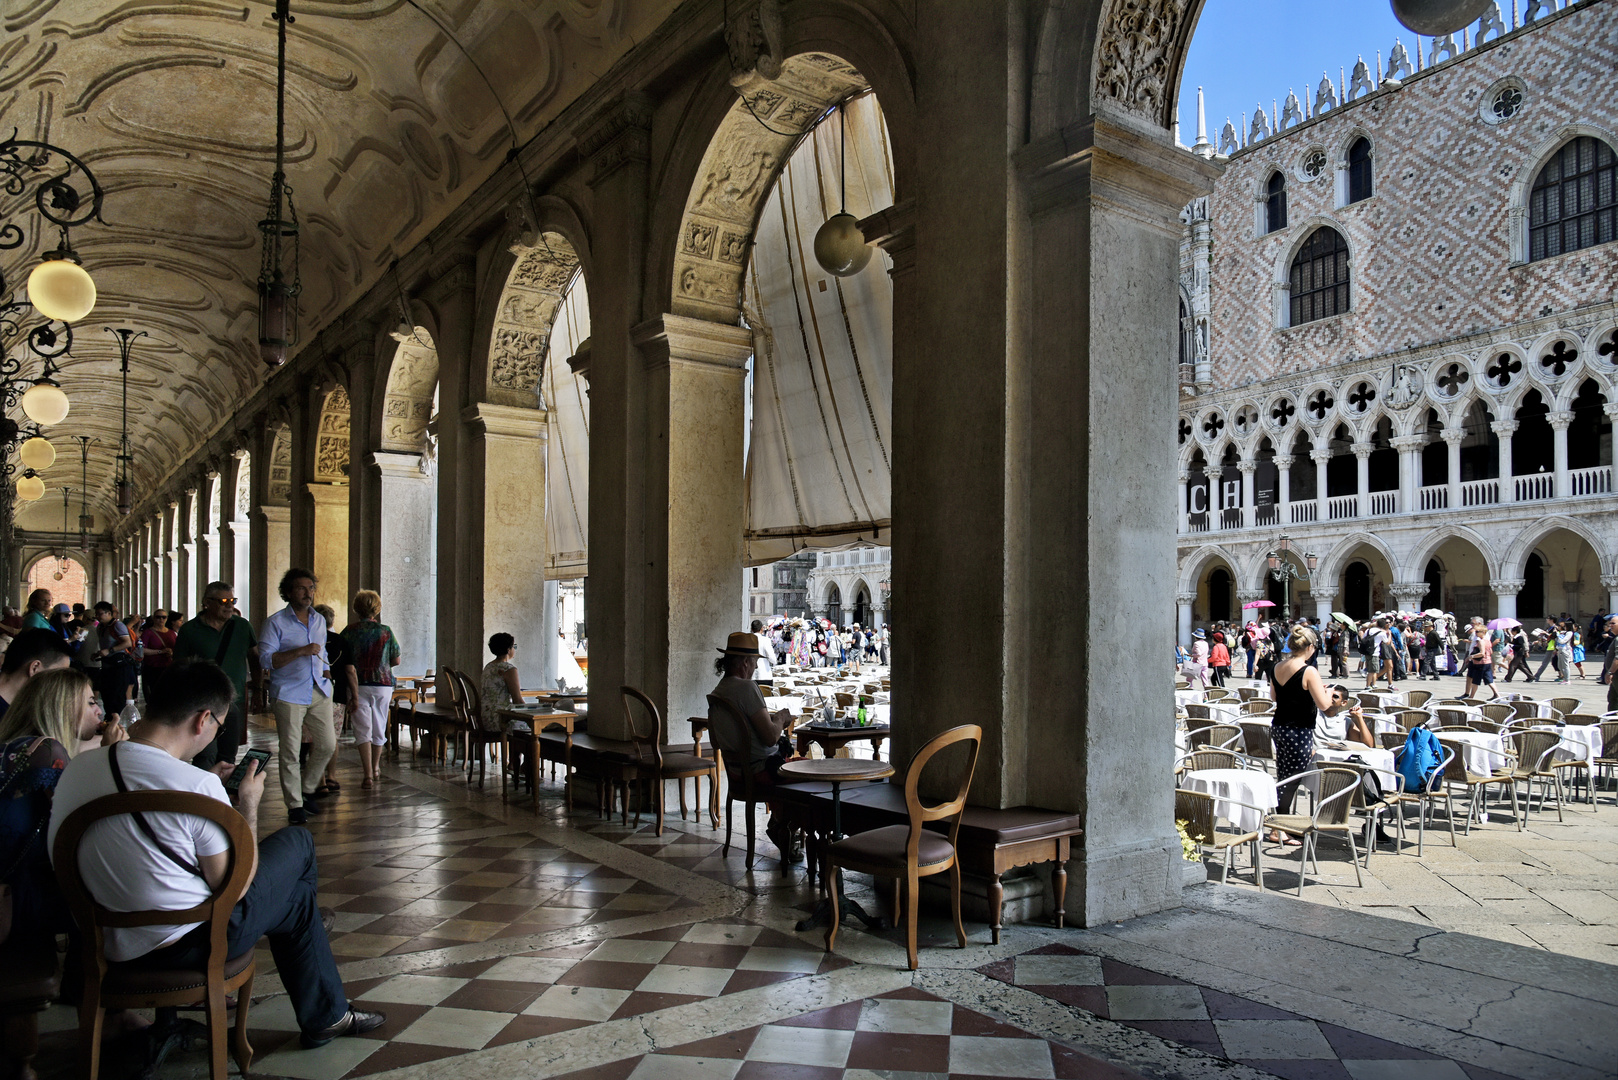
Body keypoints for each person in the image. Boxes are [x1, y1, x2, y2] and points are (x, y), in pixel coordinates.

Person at [47, 661, 385, 1048]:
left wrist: (197, 779)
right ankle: (314, 962)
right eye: (219, 727)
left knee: (294, 903)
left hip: (98, 941)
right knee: (299, 846)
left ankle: (322, 990)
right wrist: (247, 807)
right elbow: (235, 887)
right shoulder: (196, 786)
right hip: (187, 945)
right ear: (203, 719)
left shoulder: (78, 768)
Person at [0, 668, 130, 943]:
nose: (99, 711)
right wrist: (111, 757)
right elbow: (89, 822)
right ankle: (87, 981)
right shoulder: (47, 751)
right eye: (91, 702)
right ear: (62, 706)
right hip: (19, 893)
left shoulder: (21, 746)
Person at [706, 632, 799, 860]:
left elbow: (715, 741)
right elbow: (769, 738)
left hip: (738, 773)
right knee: (809, 774)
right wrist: (780, 719)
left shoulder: (718, 692)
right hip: (760, 771)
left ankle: (779, 821)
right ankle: (781, 826)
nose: (755, 668)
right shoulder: (747, 689)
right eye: (755, 663)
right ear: (746, 662)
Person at [259, 569, 335, 825]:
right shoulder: (275, 623)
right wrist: (299, 651)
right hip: (289, 692)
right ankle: (294, 805)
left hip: (319, 689)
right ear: (289, 592)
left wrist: (327, 674)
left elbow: (322, 649)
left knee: (327, 744)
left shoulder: (319, 620)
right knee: (290, 750)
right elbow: (266, 659)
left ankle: (307, 788)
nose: (308, 593)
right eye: (302, 588)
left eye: (311, 588)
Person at [1268, 626, 1359, 838]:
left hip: (1280, 725)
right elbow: (1325, 705)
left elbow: (1274, 697)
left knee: (1284, 775)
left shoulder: (1277, 666)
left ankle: (1280, 825)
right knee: (1293, 779)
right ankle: (1279, 829)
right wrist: (1325, 691)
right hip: (1299, 729)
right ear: (1309, 647)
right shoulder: (1308, 670)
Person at [174, 582, 262, 771]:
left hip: (233, 702)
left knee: (228, 756)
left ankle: (222, 797)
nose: (229, 605)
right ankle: (204, 796)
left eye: (232, 600)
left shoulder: (242, 626)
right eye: (223, 601)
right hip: (203, 704)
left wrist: (258, 689)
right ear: (206, 602)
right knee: (205, 755)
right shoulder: (190, 630)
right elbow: (179, 667)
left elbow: (255, 659)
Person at [341, 590, 400, 790]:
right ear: (377, 608)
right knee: (379, 725)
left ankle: (367, 774)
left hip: (357, 684)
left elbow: (342, 659)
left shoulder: (349, 631)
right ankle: (375, 767)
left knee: (362, 728)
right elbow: (396, 659)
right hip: (382, 684)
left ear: (356, 608)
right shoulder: (386, 631)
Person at [0, 629, 75, 719]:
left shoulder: (19, 708)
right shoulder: (8, 720)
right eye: (57, 675)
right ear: (35, 668)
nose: (58, 683)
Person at [89, 602, 136, 715]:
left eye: (100, 614)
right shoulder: (100, 627)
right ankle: (110, 718)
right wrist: (98, 654)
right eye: (97, 614)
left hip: (119, 665)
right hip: (107, 665)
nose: (98, 617)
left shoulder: (117, 625)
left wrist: (110, 650)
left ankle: (117, 720)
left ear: (109, 613)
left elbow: (127, 643)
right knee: (106, 694)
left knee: (117, 695)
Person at [139, 610, 177, 702]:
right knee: (154, 694)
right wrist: (160, 652)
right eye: (158, 617)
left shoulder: (172, 633)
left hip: (168, 667)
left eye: (164, 617)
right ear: (153, 618)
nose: (161, 619)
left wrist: (171, 653)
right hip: (153, 668)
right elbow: (142, 650)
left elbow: (176, 648)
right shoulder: (148, 633)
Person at [1464, 618, 1500, 701]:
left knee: (1475, 681)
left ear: (1483, 632)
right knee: (1489, 680)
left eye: (1477, 632)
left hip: (1480, 663)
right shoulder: (1488, 640)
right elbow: (1490, 651)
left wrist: (1471, 657)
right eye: (1475, 632)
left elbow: (1482, 653)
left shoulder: (1481, 641)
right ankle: (1497, 694)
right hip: (1488, 662)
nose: (1476, 633)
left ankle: (1471, 697)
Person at [750, 619, 775, 686]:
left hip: (751, 676)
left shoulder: (748, 641)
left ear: (752, 629)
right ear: (762, 629)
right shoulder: (765, 640)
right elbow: (772, 658)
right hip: (764, 675)